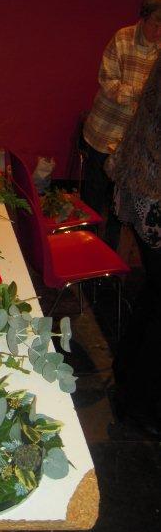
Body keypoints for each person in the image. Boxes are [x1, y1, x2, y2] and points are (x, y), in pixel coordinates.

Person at [107, 55, 161, 440]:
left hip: (145, 192)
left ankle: (127, 379)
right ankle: (142, 404)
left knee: (155, 295)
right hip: (155, 198)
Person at [81, 0, 161, 249]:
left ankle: (108, 252)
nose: (159, 31)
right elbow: (108, 81)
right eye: (157, 23)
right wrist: (142, 93)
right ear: (145, 16)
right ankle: (86, 244)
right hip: (104, 132)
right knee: (93, 195)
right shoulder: (123, 38)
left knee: (119, 203)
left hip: (133, 142)